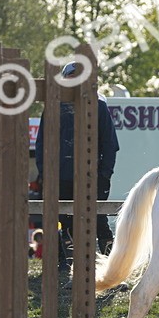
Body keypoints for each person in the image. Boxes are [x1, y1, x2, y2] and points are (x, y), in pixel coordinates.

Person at [34, 62, 121, 266]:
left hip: (92, 177)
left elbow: (110, 144)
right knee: (65, 219)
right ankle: (67, 265)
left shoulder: (98, 105)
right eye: (72, 78)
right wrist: (46, 174)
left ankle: (110, 266)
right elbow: (42, 144)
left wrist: (104, 175)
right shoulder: (54, 105)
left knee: (98, 220)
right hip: (61, 176)